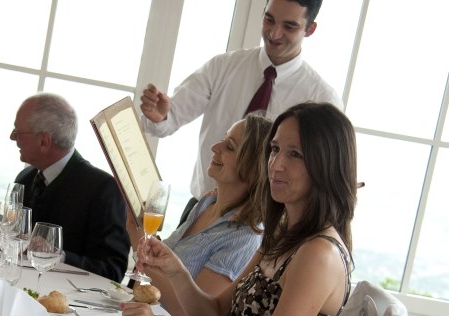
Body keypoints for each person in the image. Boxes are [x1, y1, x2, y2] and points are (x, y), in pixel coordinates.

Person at [123, 102, 356, 316]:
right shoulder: (283, 236)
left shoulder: (318, 254)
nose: (275, 164)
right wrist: (175, 271)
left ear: (327, 166)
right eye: (275, 149)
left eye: (296, 155)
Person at [140, 0, 341, 221]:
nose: (274, 33)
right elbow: (167, 120)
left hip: (266, 228)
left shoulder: (322, 99)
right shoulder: (223, 67)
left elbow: (322, 177)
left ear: (310, 29)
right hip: (203, 210)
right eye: (269, 19)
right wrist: (160, 117)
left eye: (289, 26)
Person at [127, 114, 272, 316]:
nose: (215, 147)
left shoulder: (245, 237)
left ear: (253, 167)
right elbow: (164, 266)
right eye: (223, 140)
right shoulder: (205, 204)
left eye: (229, 147)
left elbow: (187, 314)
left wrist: (137, 238)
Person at [5, 93, 130, 281]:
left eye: (18, 132)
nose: (12, 137)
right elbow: (6, 241)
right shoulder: (24, 178)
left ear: (44, 141)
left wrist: (58, 256)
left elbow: (112, 270)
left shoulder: (103, 189)